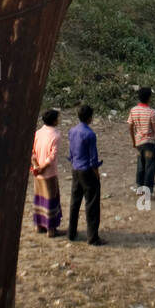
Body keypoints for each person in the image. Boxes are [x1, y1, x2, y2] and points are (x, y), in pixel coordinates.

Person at [67, 105, 105, 245]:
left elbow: (71, 152)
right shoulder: (90, 134)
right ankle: (92, 237)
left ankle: (71, 232)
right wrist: (97, 174)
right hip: (87, 170)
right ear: (90, 117)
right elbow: (93, 159)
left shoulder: (72, 131)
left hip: (75, 169)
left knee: (75, 202)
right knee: (92, 204)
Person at [128, 87, 155, 197]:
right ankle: (148, 191)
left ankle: (139, 188)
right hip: (149, 143)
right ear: (149, 98)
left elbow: (130, 126)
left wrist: (133, 141)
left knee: (140, 166)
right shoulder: (151, 112)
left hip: (139, 143)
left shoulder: (133, 110)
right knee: (150, 167)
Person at [30, 109, 63, 237]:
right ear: (54, 121)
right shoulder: (56, 135)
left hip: (37, 173)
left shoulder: (37, 133)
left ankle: (39, 226)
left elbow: (32, 152)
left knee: (39, 198)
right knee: (51, 199)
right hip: (49, 173)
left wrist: (36, 166)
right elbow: (51, 157)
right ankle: (51, 229)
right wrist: (42, 167)